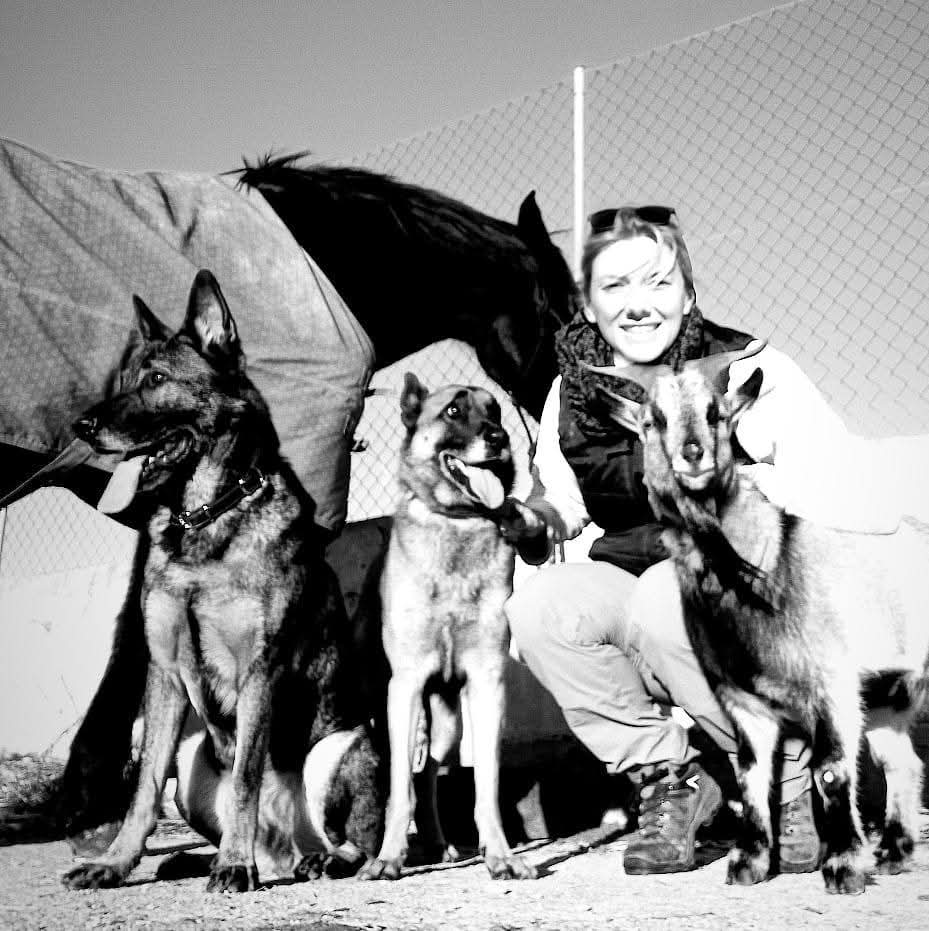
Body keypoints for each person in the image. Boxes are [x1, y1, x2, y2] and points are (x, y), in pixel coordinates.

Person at [501, 205, 853, 876]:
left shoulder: (749, 367)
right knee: (541, 609)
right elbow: (563, 503)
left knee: (670, 599)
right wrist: (529, 519)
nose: (638, 305)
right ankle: (674, 777)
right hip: (628, 559)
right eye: (616, 287)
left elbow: (822, 476)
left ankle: (787, 781)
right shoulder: (570, 393)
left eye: (657, 283)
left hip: (737, 574)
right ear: (590, 303)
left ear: (687, 293)